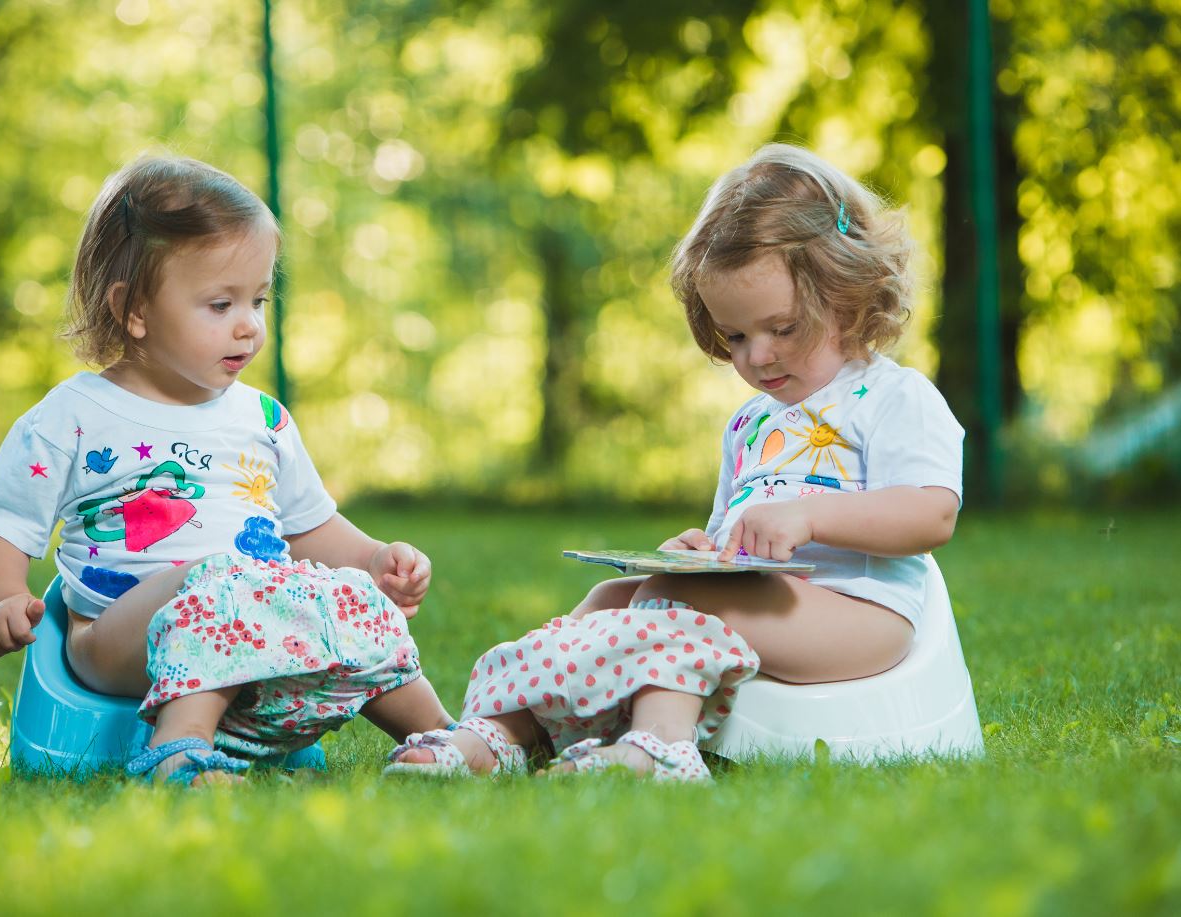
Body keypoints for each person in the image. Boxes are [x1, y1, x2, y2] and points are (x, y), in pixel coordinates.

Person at [385, 143, 963, 781]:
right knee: (612, 595)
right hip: (770, 604)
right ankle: (498, 733)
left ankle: (659, 748)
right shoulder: (751, 422)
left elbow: (931, 514)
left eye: (783, 328)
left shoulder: (893, 396)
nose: (758, 357)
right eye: (736, 336)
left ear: (847, 295)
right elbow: (735, 536)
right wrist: (702, 551)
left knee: (677, 598)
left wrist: (809, 517)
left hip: (860, 614)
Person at [0, 155, 453, 785]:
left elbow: (307, 528)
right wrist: (4, 597)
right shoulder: (75, 415)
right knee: (217, 581)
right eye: (221, 304)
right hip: (118, 640)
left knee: (350, 600)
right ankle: (179, 750)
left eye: (258, 299)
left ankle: (441, 737)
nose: (249, 325)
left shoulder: (263, 418)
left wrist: (374, 560)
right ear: (134, 309)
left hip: (256, 623)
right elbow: (1, 521)